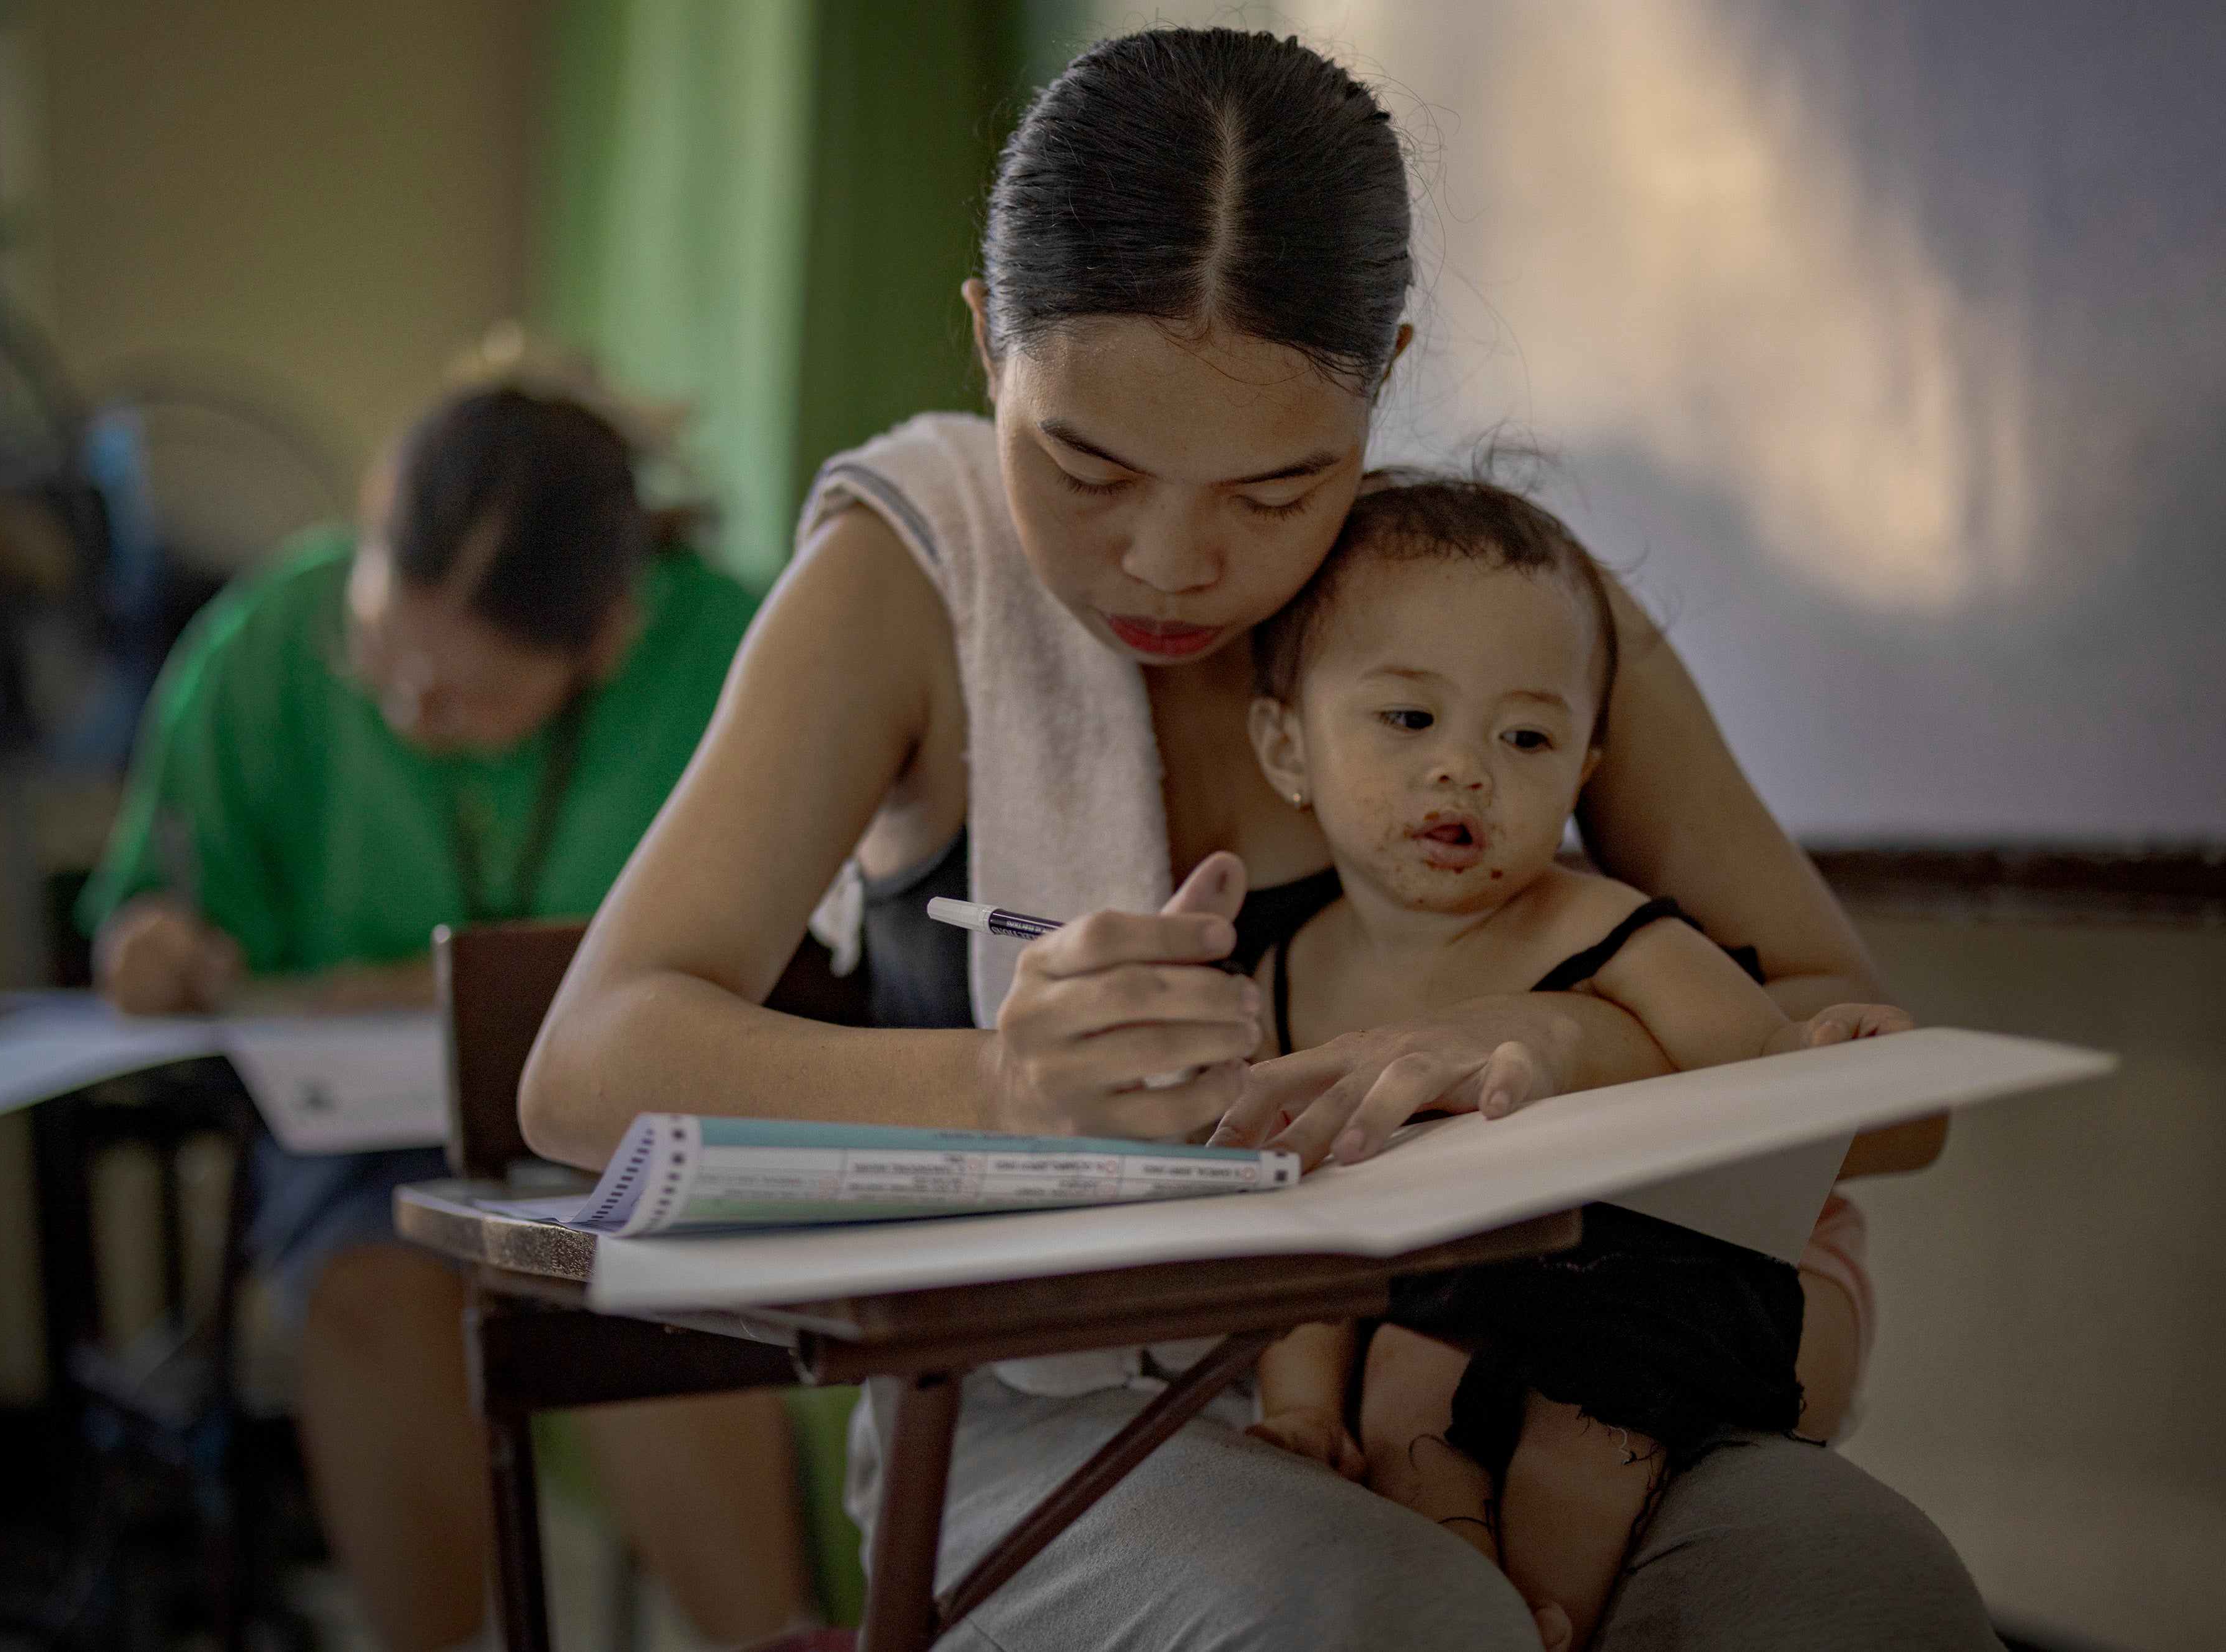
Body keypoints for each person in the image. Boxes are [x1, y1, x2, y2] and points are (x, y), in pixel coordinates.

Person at [524, 27, 1988, 1650]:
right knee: (1400, 1618)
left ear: (1386, 383)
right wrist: (1005, 1088)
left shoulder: (1489, 606)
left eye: (1280, 489)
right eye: (1084, 462)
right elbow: (589, 1063)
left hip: (1515, 1373)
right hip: (1051, 1403)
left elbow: (1883, 1107)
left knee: (1865, 1589)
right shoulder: (912, 586)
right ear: (983, 337)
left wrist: (1570, 1032)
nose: (1168, 561)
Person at [79, 377, 816, 1651]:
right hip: (363, 1137)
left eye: (469, 696)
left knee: (641, 1285)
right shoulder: (266, 637)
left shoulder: (734, 651)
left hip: (637, 1116)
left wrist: (435, 986)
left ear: (608, 640)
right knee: (371, 1292)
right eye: (382, 651)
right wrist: (151, 944)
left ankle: (775, 1635)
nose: (412, 710)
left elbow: (803, 927)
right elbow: (150, 899)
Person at [1234, 476, 1900, 1651]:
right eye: (1408, 720)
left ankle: (1556, 1621)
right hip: (1483, 1283)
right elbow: (1303, 1222)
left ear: (1587, 766)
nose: (1465, 770)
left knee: (1577, 1433)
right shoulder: (1285, 979)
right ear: (1287, 744)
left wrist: (1819, 1055)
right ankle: (1475, 1594)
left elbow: (1758, 1089)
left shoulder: (1604, 928)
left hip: (1704, 1260)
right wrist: (1297, 1405)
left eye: (1526, 736)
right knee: (1399, 1407)